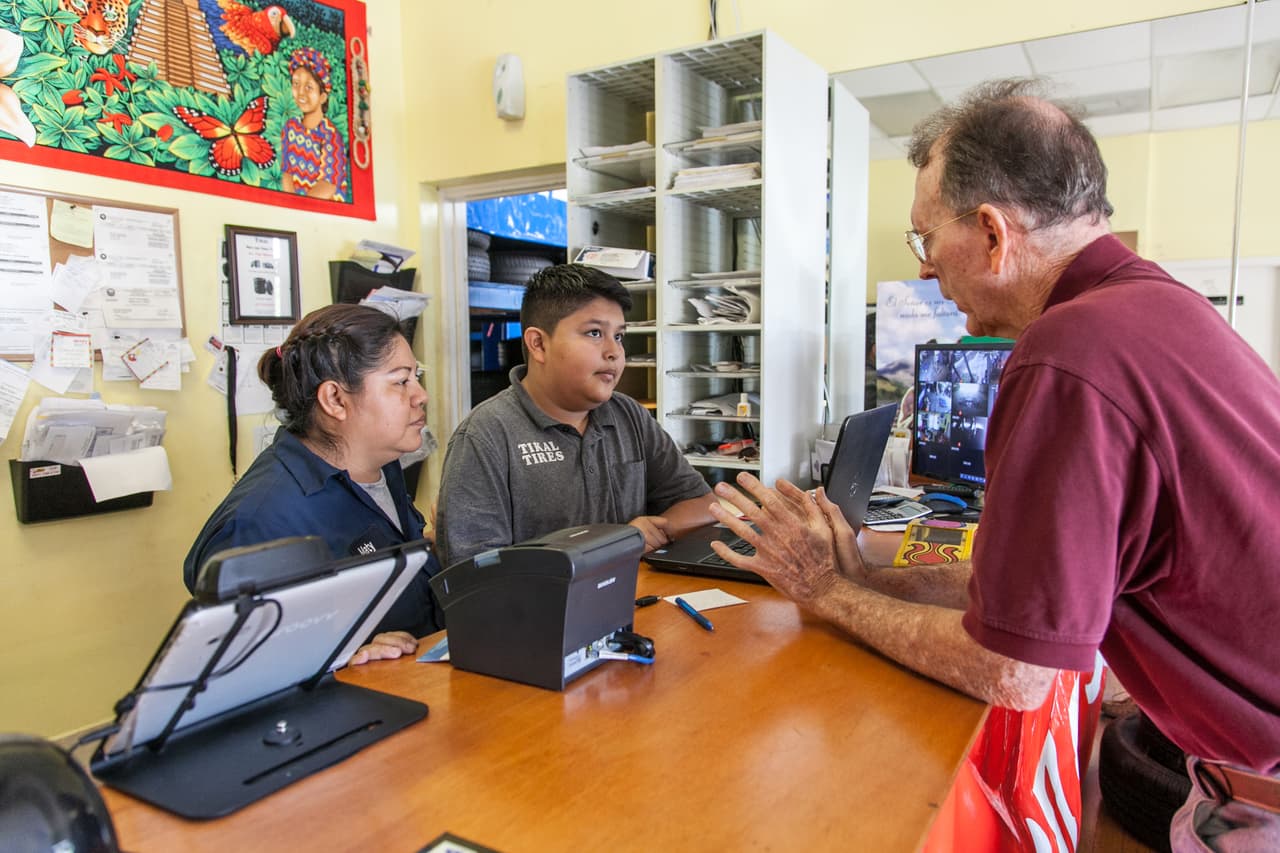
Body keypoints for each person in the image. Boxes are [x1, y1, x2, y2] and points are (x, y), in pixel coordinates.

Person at [706, 79, 1280, 851]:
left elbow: (1015, 667)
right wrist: (867, 574)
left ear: (991, 234)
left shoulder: (1066, 354)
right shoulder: (1155, 305)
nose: (925, 271)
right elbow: (1028, 593)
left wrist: (828, 594)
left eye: (924, 239)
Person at [184, 304, 440, 665]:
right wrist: (337, 661)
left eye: (417, 377)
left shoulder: (382, 467)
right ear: (335, 399)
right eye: (400, 381)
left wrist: (436, 548)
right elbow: (235, 671)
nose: (421, 395)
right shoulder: (260, 519)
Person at [436, 263, 715, 566]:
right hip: (543, 612)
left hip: (636, 601)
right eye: (594, 333)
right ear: (538, 344)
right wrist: (617, 544)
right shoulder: (486, 436)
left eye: (619, 336)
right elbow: (476, 573)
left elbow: (703, 504)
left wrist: (651, 533)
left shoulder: (628, 415)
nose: (614, 352)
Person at [280, 47, 348, 201]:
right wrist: (290, 204)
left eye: (309, 87)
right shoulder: (291, 127)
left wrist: (301, 208)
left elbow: (328, 185)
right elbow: (287, 173)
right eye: (296, 84)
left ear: (323, 96)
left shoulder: (330, 135)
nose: (301, 92)